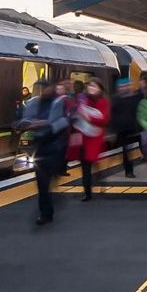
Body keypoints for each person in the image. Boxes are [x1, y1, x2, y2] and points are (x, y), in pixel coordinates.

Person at [16, 79, 69, 225]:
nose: (42, 91)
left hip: (53, 146)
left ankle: (47, 212)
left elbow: (64, 121)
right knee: (42, 184)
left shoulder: (58, 103)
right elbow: (25, 120)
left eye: (44, 88)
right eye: (39, 88)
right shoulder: (33, 103)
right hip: (39, 147)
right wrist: (28, 125)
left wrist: (47, 125)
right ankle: (45, 213)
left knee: (46, 181)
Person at [70, 79, 110, 201]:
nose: (91, 89)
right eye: (90, 86)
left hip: (94, 137)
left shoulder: (103, 102)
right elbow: (76, 115)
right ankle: (87, 192)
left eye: (94, 86)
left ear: (100, 89)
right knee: (85, 165)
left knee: (90, 160)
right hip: (83, 136)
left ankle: (98, 179)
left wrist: (89, 118)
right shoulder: (83, 100)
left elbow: (104, 120)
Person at [111, 77, 143, 178]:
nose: (124, 88)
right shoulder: (115, 99)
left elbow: (140, 111)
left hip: (133, 128)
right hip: (121, 130)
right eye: (121, 86)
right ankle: (128, 170)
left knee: (129, 150)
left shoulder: (136, 98)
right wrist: (112, 130)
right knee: (126, 151)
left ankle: (129, 168)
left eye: (126, 85)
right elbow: (112, 114)